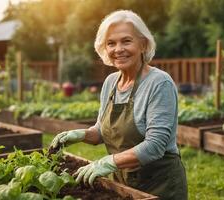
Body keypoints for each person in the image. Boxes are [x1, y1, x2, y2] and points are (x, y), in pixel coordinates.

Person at [50, 10, 188, 199]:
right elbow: (102, 131)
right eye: (111, 43)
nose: (118, 49)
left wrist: (107, 162)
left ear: (143, 44)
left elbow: (155, 146)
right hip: (122, 183)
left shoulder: (159, 83)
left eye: (126, 41)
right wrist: (81, 134)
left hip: (160, 183)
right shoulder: (111, 82)